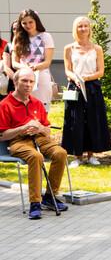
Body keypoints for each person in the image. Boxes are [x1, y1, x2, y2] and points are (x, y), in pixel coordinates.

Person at [0, 66, 69, 219]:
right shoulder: (5, 105)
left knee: (60, 153)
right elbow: (2, 135)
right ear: (15, 82)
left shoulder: (37, 103)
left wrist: (40, 128)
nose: (28, 85)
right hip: (18, 141)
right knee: (36, 157)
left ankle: (50, 197)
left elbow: (48, 131)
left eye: (31, 82)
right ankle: (35, 203)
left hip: (40, 138)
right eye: (24, 81)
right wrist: (22, 128)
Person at [61, 16, 111, 166]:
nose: (83, 29)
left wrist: (86, 78)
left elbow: (101, 71)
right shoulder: (69, 48)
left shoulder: (97, 49)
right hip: (74, 87)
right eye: (80, 26)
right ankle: (77, 157)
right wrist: (76, 78)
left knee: (93, 120)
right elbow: (67, 70)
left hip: (92, 87)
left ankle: (91, 156)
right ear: (75, 29)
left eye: (85, 26)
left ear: (90, 29)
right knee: (75, 121)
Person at [12, 10, 55, 110]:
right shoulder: (17, 39)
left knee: (41, 110)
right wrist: (25, 68)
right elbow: (14, 63)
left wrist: (34, 67)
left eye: (30, 22)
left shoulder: (45, 36)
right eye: (24, 23)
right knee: (23, 109)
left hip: (41, 78)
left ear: (36, 21)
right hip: (23, 79)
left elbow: (47, 62)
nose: (28, 25)